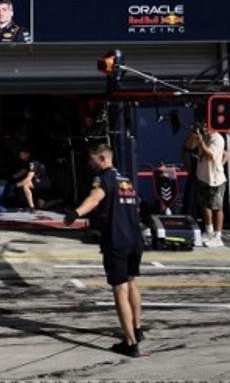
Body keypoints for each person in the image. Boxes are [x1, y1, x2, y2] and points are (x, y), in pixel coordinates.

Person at [64, 143, 146, 357]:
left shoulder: (103, 178)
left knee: (120, 289)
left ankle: (130, 344)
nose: (89, 163)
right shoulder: (125, 179)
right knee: (132, 282)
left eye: (92, 159)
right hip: (135, 239)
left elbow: (95, 198)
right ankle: (137, 329)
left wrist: (76, 213)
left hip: (116, 241)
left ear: (102, 158)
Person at [185, 122, 226, 246]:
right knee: (204, 205)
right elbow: (189, 146)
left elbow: (210, 155)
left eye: (206, 126)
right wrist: (193, 136)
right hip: (203, 177)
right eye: (203, 126)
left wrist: (201, 142)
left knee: (217, 207)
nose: (204, 128)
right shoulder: (204, 137)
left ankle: (218, 237)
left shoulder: (217, 138)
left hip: (215, 179)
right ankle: (209, 231)